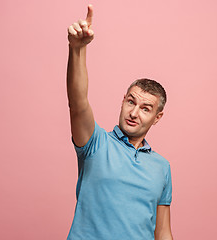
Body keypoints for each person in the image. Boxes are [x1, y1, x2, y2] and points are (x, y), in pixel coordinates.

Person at [66, 5, 173, 240]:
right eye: (131, 102)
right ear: (123, 100)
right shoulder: (95, 143)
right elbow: (78, 102)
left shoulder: (162, 167)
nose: (134, 113)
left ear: (157, 117)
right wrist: (77, 49)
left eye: (145, 109)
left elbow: (163, 232)